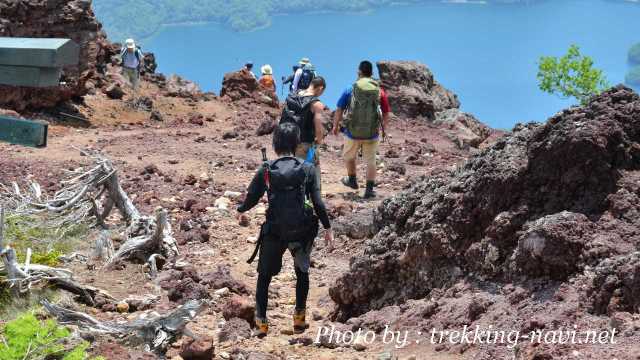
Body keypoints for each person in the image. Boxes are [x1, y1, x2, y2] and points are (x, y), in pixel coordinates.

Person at [237, 122, 334, 337]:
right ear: (296, 143)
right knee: (302, 272)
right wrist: (328, 227)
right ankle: (299, 320)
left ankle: (261, 322)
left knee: (264, 276)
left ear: (274, 143)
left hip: (275, 230)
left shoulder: (267, 168)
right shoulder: (307, 168)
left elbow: (252, 196)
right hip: (302, 230)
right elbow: (317, 201)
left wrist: (240, 209)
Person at [332, 60, 391, 199]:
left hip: (352, 132)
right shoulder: (379, 90)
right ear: (371, 73)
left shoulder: (350, 88)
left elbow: (339, 109)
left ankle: (352, 180)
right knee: (371, 161)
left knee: (349, 156)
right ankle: (369, 190)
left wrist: (335, 125)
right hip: (372, 133)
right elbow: (387, 112)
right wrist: (384, 129)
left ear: (359, 72)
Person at [280, 76, 327, 187]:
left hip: (290, 140)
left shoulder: (292, 95)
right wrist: (319, 140)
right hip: (305, 143)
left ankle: (293, 196)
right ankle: (311, 200)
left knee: (294, 169)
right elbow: (318, 126)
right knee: (312, 172)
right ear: (320, 88)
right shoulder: (316, 104)